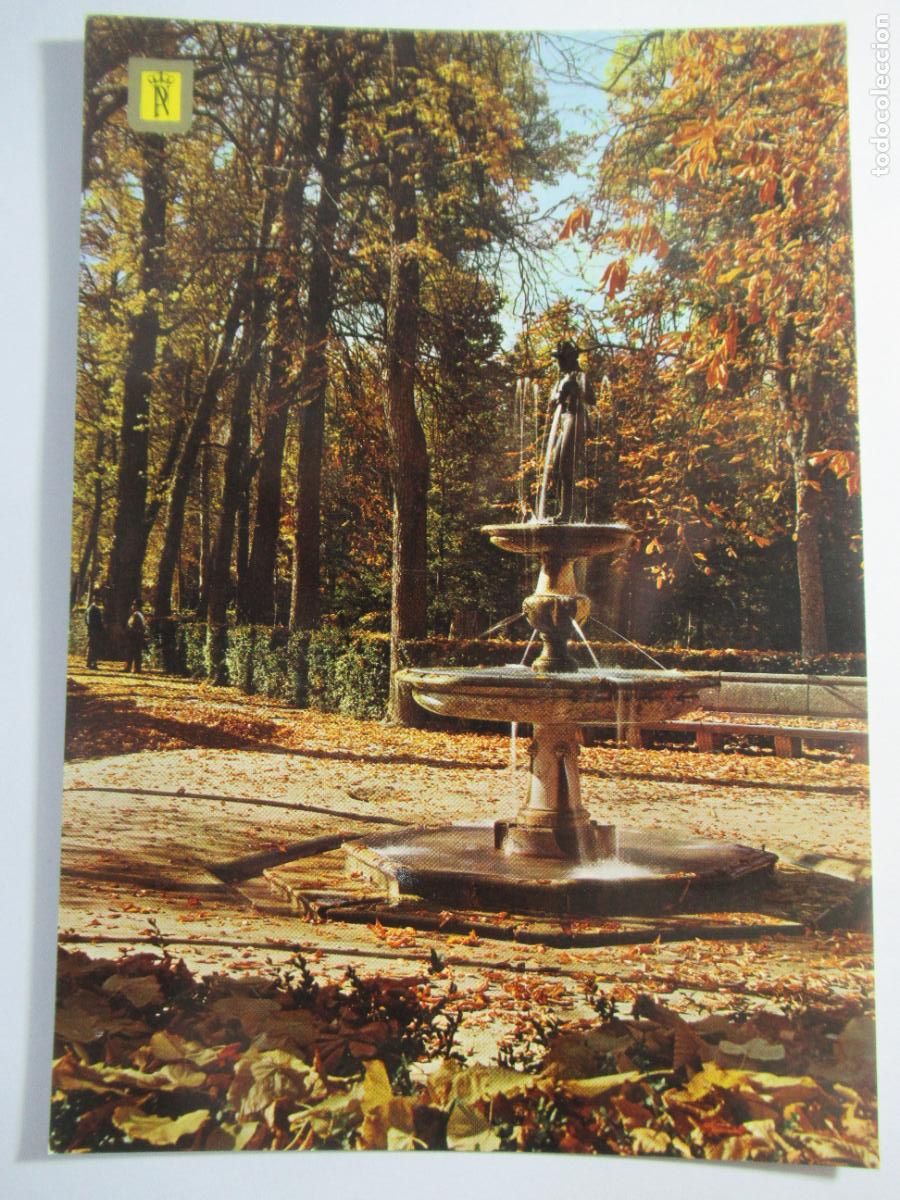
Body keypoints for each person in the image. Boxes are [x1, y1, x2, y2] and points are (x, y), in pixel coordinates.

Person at [545, 340, 593, 523]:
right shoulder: (561, 378)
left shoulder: (580, 376)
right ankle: (565, 511)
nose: (558, 362)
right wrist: (559, 394)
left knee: (566, 465)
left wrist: (577, 391)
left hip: (576, 418)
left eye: (560, 359)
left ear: (569, 359)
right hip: (564, 420)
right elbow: (553, 402)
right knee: (556, 468)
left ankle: (567, 514)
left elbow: (592, 399)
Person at [124, 600, 146, 674]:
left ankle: (132, 668)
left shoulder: (136, 615)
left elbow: (133, 626)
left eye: (134, 605)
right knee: (136, 652)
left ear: (137, 606)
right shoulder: (140, 614)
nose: (132, 606)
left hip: (134, 636)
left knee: (132, 652)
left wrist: (129, 632)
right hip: (137, 636)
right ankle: (135, 668)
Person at [85, 590, 104, 669]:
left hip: (94, 630)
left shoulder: (93, 608)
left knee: (92, 647)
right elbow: (89, 621)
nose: (98, 601)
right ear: (94, 600)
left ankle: (90, 663)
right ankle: (92, 663)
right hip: (94, 631)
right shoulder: (92, 609)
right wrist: (94, 629)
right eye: (97, 600)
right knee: (93, 647)